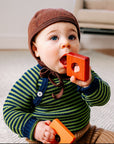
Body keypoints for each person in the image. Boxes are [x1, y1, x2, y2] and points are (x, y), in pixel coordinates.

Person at [3, 8, 114, 143]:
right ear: (36, 49)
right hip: (49, 140)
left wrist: (90, 84)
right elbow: (10, 110)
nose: (66, 43)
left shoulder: (82, 71)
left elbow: (101, 99)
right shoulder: (32, 79)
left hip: (86, 134)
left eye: (72, 37)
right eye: (54, 37)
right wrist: (35, 128)